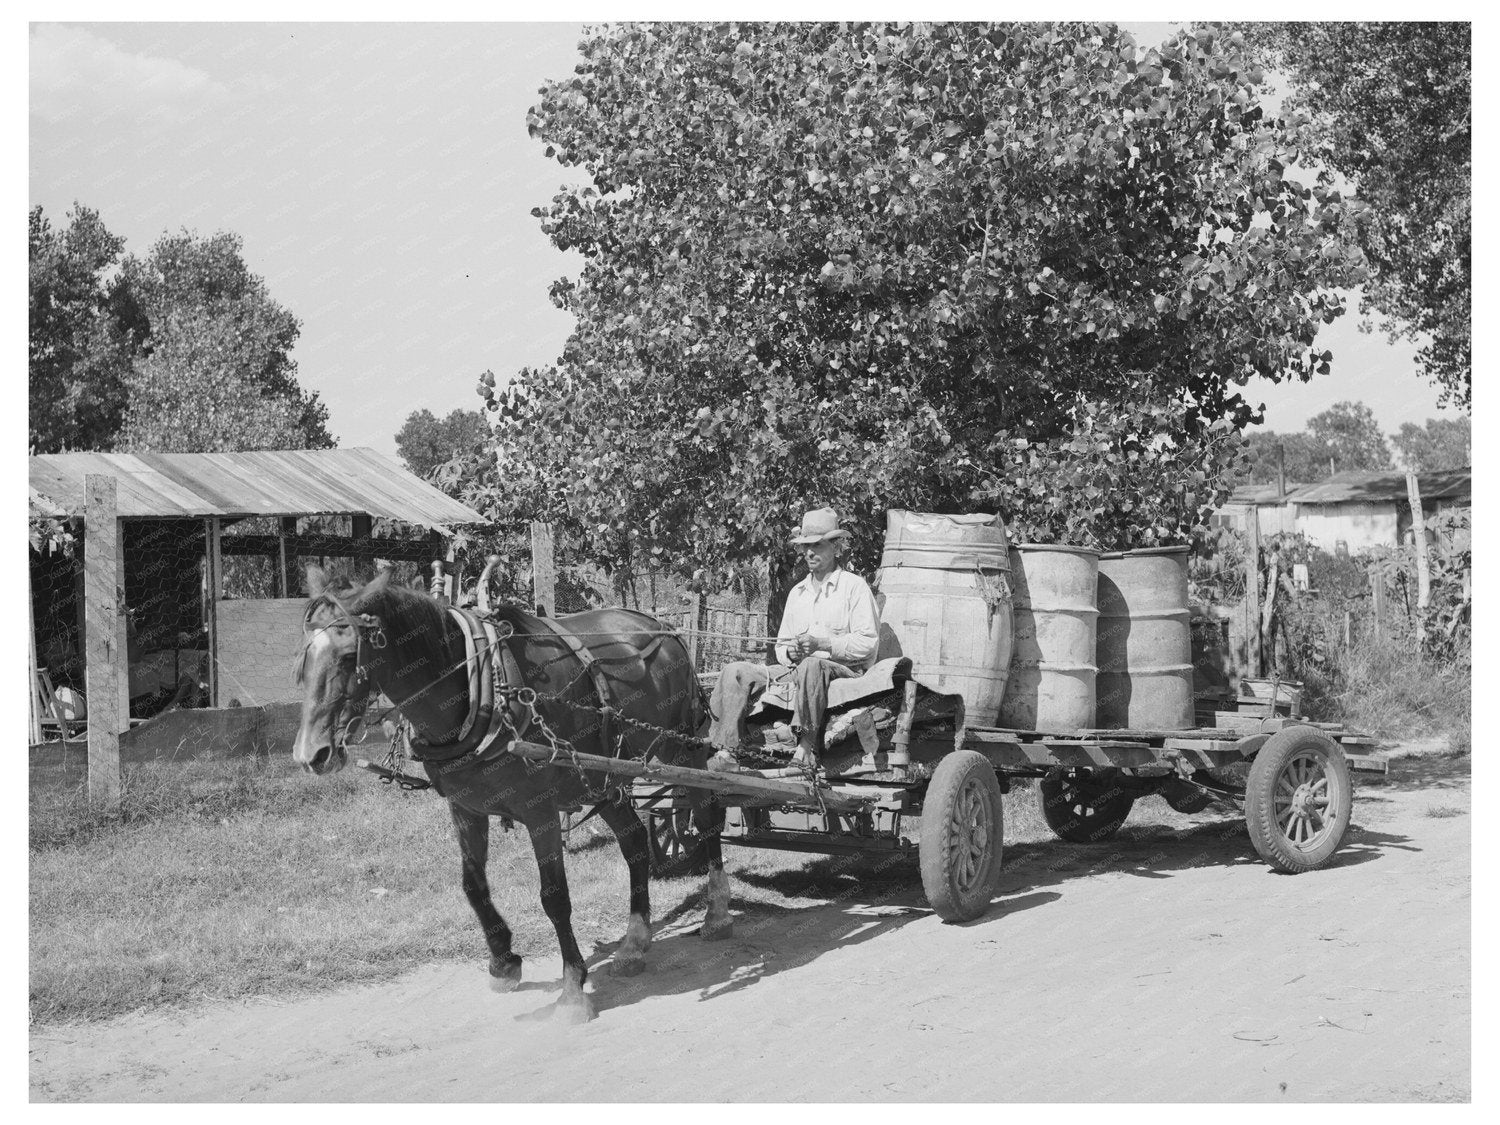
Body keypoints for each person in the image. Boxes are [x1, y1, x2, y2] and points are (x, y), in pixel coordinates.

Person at [708, 507, 880, 768]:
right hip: (797, 671)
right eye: (805, 546)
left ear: (836, 547)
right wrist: (792, 652)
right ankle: (727, 751)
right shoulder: (797, 593)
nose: (810, 552)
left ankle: (806, 749)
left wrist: (823, 645)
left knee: (813, 664)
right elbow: (781, 647)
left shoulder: (854, 587)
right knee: (736, 670)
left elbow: (868, 644)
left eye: (818, 545)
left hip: (846, 673)